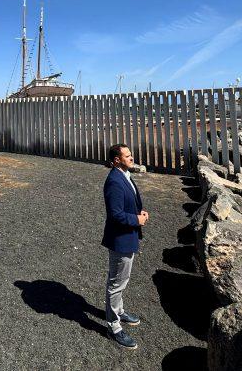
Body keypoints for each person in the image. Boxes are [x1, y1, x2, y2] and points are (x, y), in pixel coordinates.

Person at [101, 143, 148, 350]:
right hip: (120, 239)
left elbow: (131, 201)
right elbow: (116, 214)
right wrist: (137, 219)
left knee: (123, 278)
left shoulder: (125, 175)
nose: (131, 157)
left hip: (128, 237)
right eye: (127, 156)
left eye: (130, 154)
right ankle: (113, 326)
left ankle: (118, 311)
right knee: (116, 283)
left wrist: (140, 212)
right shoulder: (114, 181)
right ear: (117, 159)